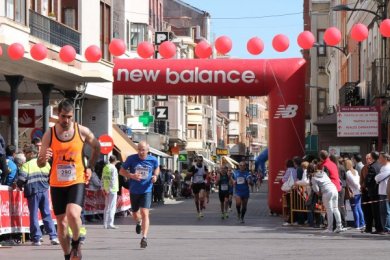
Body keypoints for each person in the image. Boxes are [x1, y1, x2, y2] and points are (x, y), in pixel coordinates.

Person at [37, 99, 100, 260]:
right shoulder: (49, 134)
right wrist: (44, 158)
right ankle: (67, 256)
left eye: (70, 117)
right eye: (63, 116)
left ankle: (77, 243)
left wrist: (90, 167)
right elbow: (40, 162)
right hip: (57, 183)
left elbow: (97, 147)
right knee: (62, 223)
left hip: (76, 180)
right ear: (58, 115)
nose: (66, 120)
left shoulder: (82, 131)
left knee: (72, 213)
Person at [119, 141, 160, 249]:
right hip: (134, 190)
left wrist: (155, 176)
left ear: (148, 150)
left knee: (145, 212)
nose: (141, 152)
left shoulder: (153, 159)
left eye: (143, 150)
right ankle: (138, 222)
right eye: (139, 149)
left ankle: (144, 237)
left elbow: (157, 167)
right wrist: (131, 175)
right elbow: (121, 171)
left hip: (147, 189)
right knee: (135, 214)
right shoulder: (131, 159)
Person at [17, 144, 59, 246]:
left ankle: (37, 238)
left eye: (26, 153)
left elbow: (21, 179)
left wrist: (18, 185)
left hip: (33, 192)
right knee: (46, 214)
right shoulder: (45, 163)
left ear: (31, 154)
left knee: (34, 215)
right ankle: (53, 236)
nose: (25, 155)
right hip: (44, 191)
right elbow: (51, 176)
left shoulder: (26, 165)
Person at [308, 163, 346, 233]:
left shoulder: (313, 178)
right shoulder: (324, 173)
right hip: (334, 190)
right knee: (335, 209)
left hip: (326, 192)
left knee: (329, 210)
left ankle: (330, 228)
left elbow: (316, 190)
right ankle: (339, 226)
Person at [345, 159, 365, 230]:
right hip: (358, 192)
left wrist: (358, 187)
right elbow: (358, 181)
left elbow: (354, 182)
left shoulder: (348, 173)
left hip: (353, 192)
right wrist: (360, 188)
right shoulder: (356, 171)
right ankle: (362, 223)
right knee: (359, 208)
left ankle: (357, 225)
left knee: (355, 209)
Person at [102, 155, 119, 229]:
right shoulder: (114, 168)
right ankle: (110, 223)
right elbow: (113, 179)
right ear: (115, 161)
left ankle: (105, 224)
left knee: (106, 207)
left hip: (106, 189)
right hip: (112, 189)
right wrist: (109, 189)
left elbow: (102, 178)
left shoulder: (105, 167)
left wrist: (103, 188)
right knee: (112, 207)